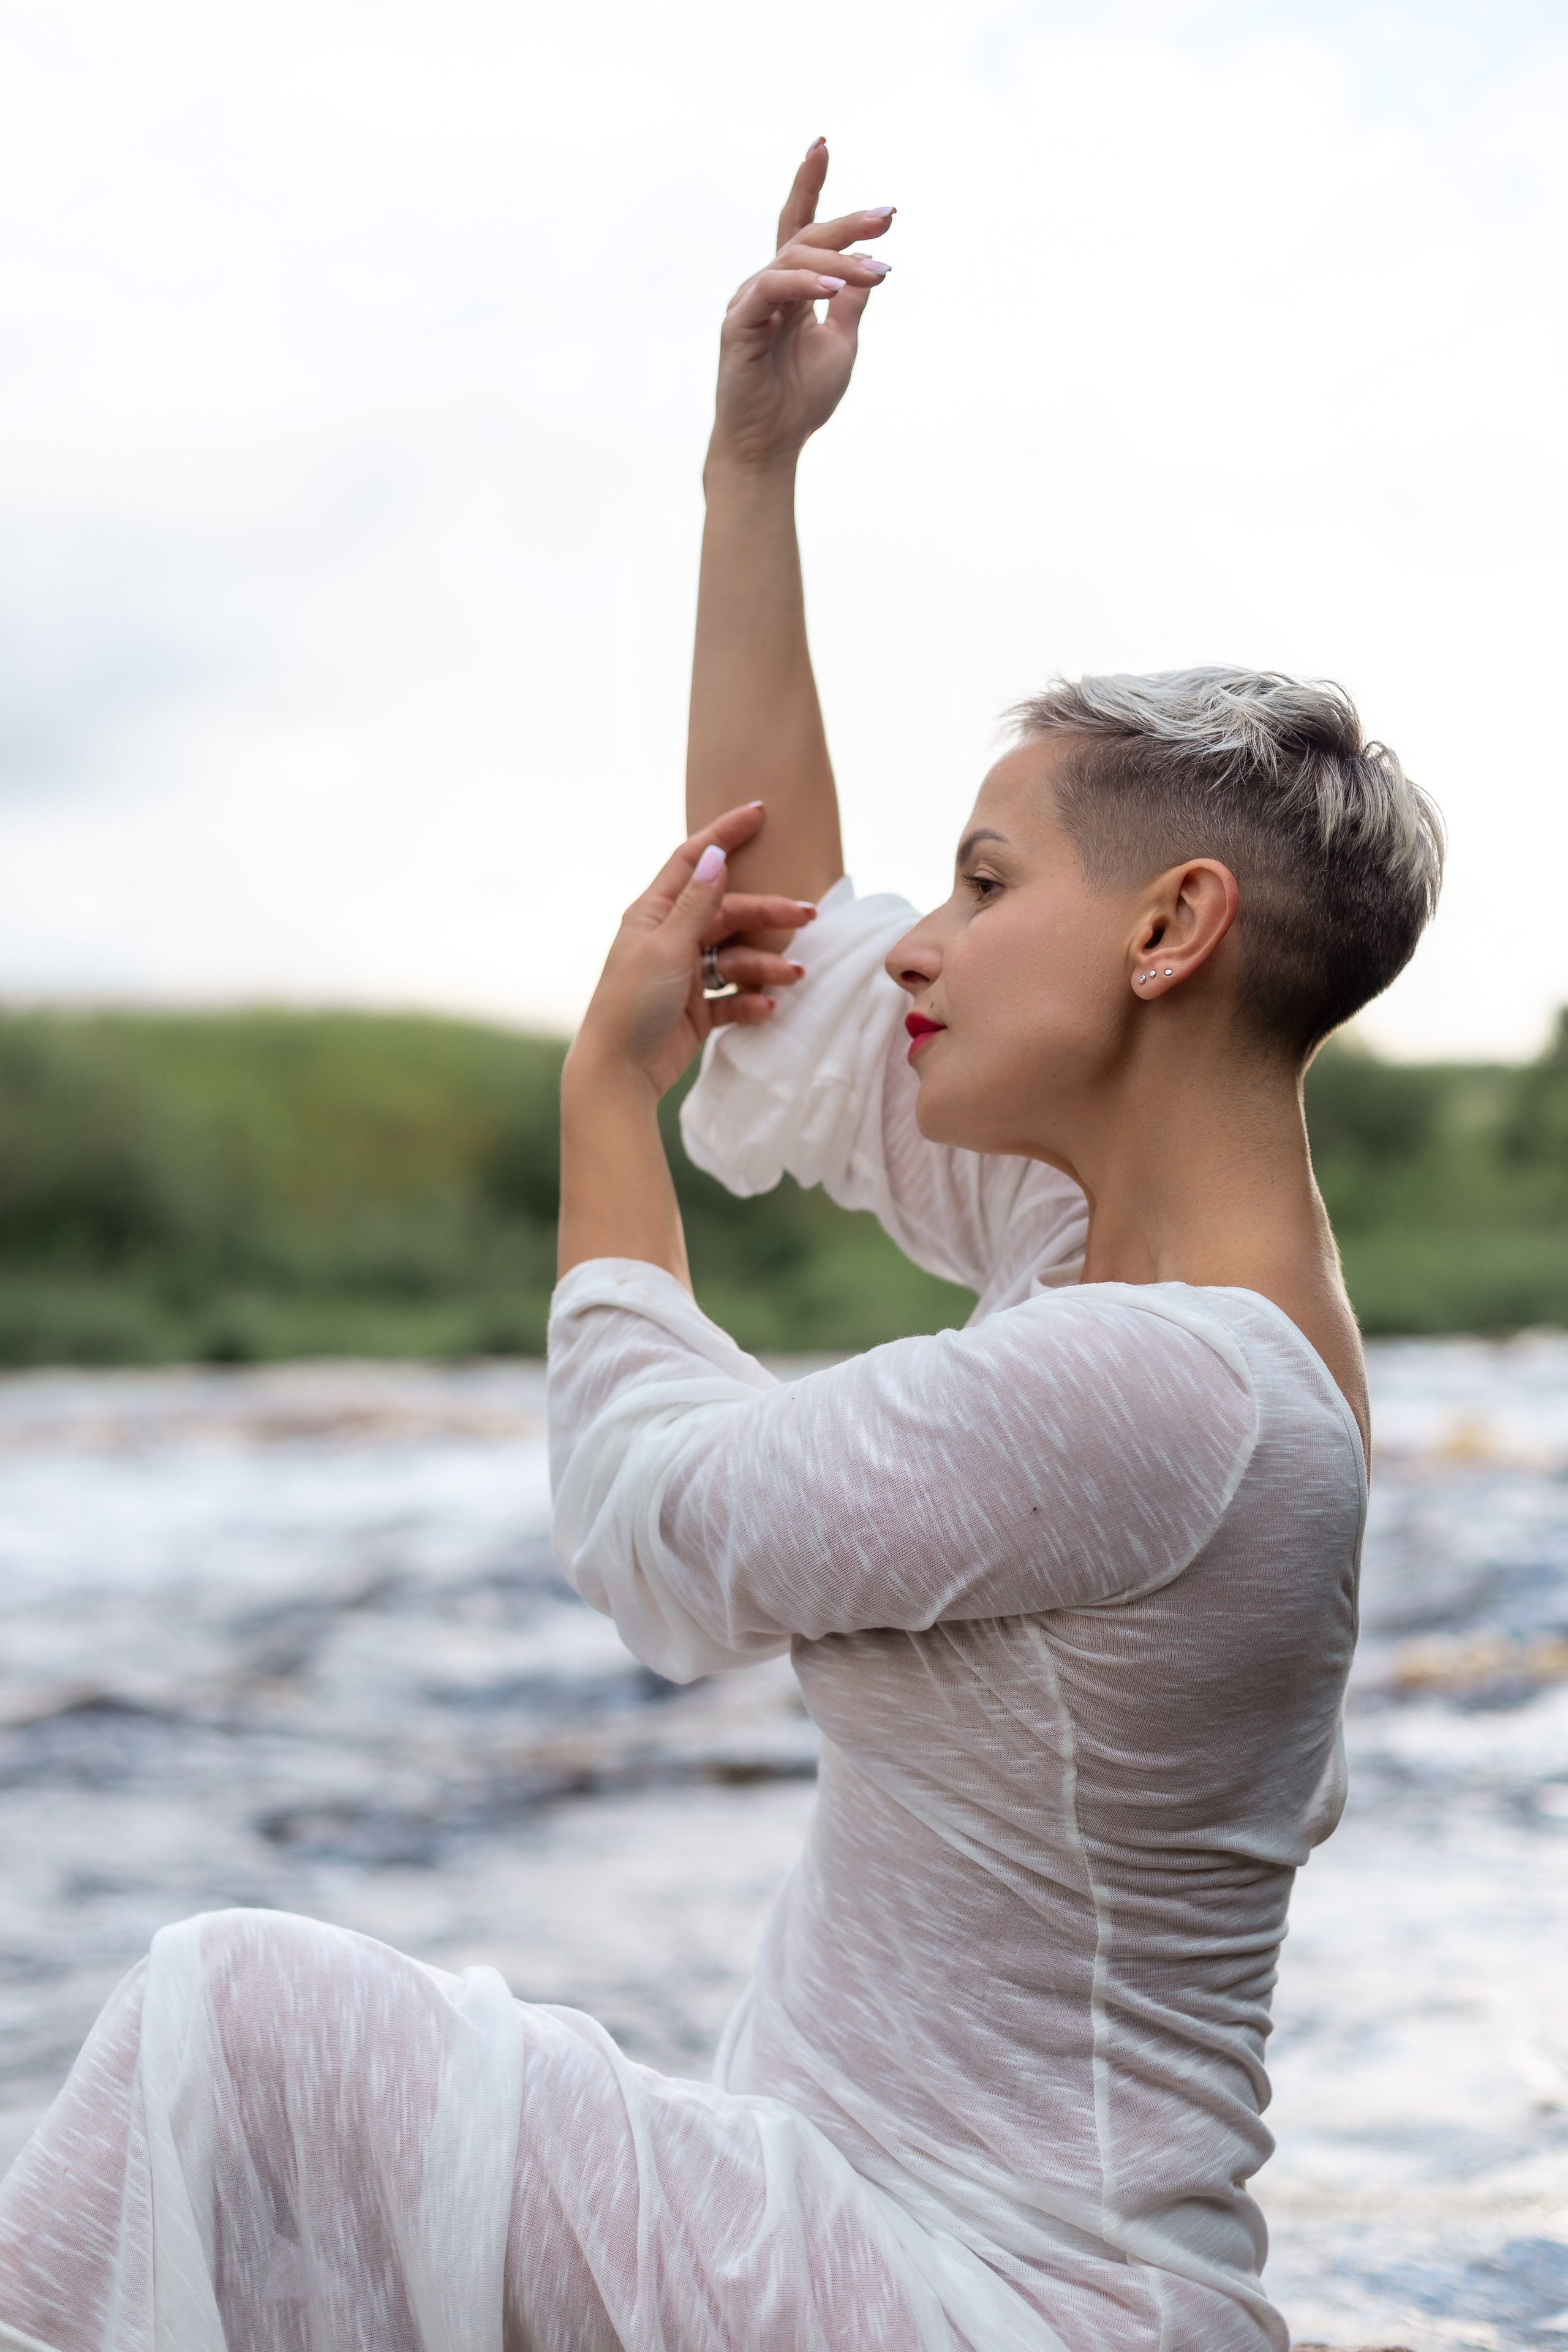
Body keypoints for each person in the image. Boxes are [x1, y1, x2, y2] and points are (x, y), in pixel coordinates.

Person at [0, 141, 1442, 2352]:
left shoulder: (1161, 1383)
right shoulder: (1151, 1269)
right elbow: (781, 978)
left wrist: (603, 1101)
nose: (922, 945)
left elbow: (657, 1526)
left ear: (1171, 928)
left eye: (981, 884)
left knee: (239, 2018)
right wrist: (749, 477)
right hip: (867, 2220)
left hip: (997, 2294)